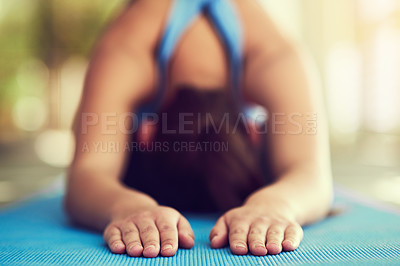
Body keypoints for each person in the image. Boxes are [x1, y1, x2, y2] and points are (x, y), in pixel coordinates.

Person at [65, 0, 333, 258]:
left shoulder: (126, 50)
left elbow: (89, 173)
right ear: (146, 134)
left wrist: (276, 204)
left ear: (252, 132)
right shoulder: (275, 56)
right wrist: (275, 205)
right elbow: (311, 174)